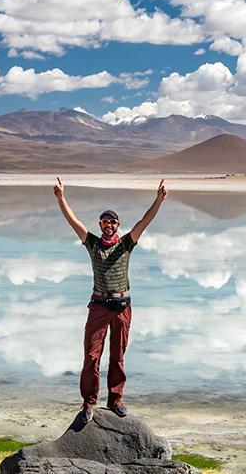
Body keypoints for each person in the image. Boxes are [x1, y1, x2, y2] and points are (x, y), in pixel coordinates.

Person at [53, 177, 168, 423]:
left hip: (122, 306)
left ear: (117, 225)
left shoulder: (127, 243)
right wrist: (61, 198)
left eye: (113, 222)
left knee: (117, 356)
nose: (109, 225)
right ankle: (88, 403)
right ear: (100, 224)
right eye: (105, 222)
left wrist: (158, 199)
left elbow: (145, 221)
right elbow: (73, 221)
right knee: (92, 356)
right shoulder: (92, 244)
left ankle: (115, 400)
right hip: (98, 306)